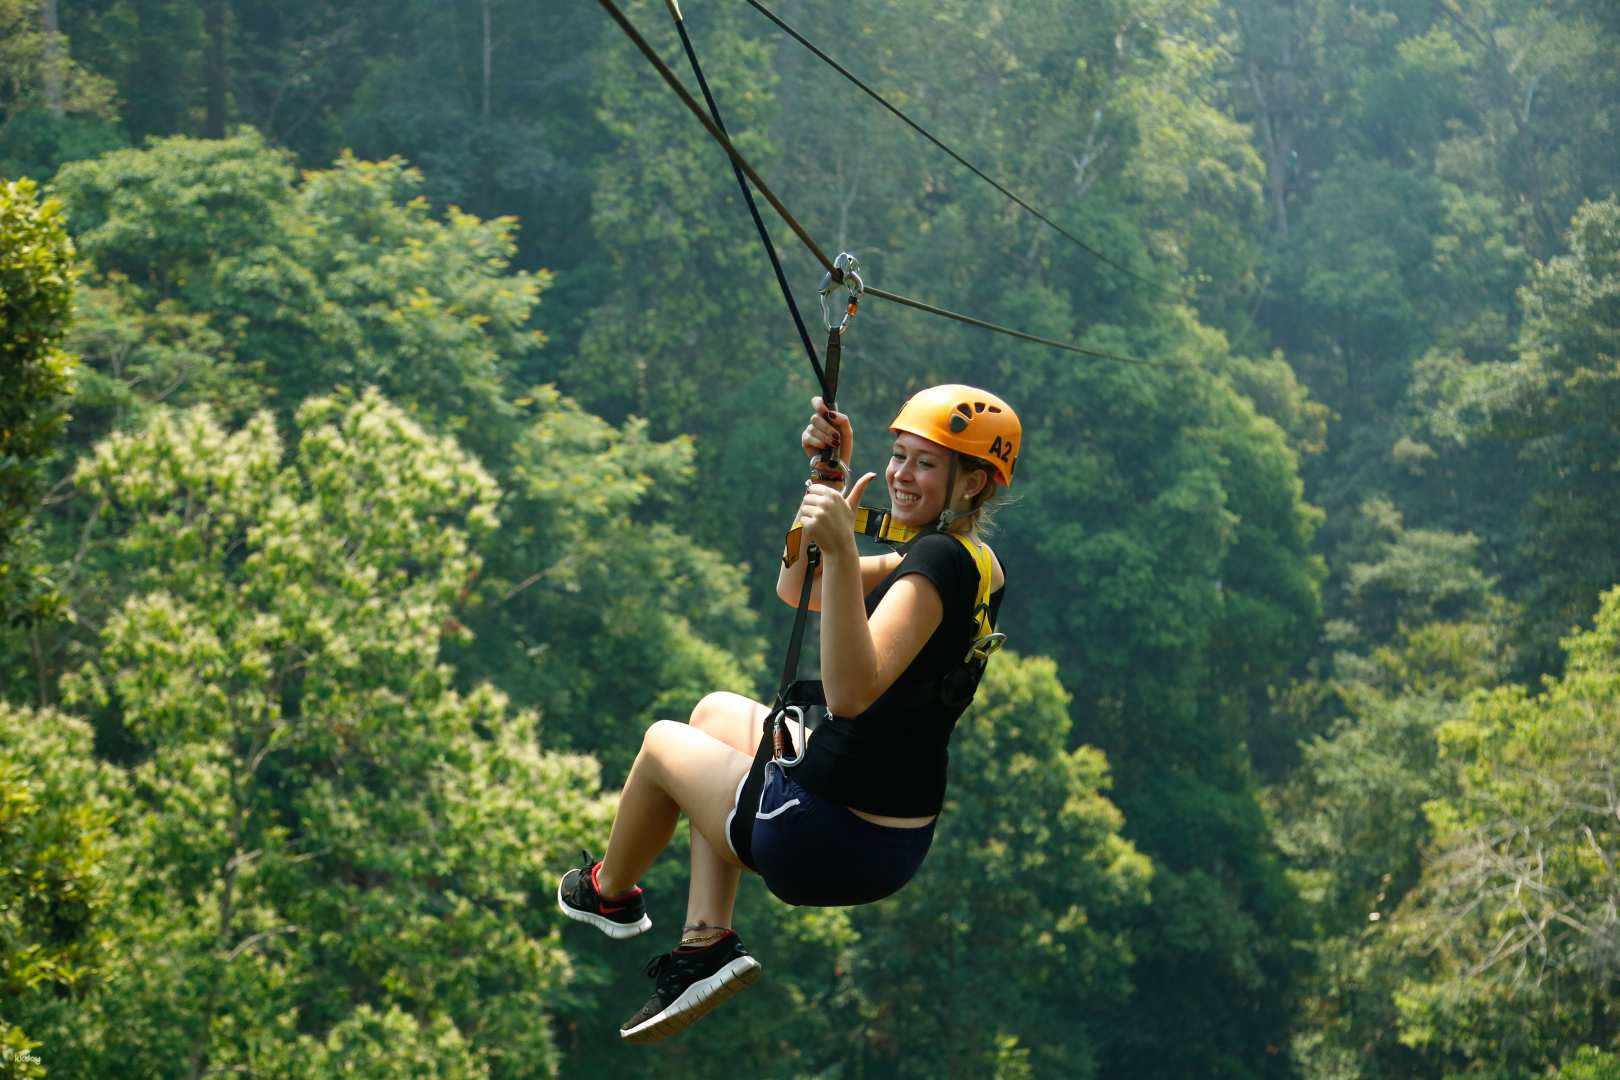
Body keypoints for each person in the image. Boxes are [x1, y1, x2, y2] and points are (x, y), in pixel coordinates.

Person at [557, 384, 1019, 1043]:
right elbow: (798, 586)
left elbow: (850, 694)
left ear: (971, 483)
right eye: (898, 455)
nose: (900, 473)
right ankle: (704, 942)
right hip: (888, 838)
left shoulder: (935, 562)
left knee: (662, 744)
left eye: (925, 463)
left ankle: (610, 893)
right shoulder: (974, 563)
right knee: (714, 714)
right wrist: (823, 487)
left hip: (826, 834)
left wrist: (840, 548)